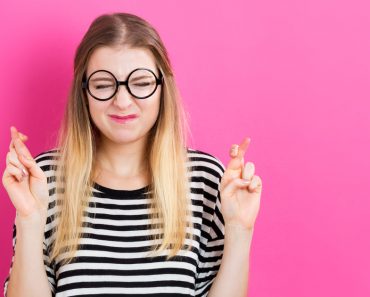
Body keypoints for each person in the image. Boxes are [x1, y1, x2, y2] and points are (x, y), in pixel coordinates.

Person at [2, 12, 262, 297]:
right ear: (84, 92)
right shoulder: (45, 178)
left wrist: (240, 230)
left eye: (140, 83)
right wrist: (29, 220)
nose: (123, 102)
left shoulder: (204, 179)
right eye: (103, 84)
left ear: (163, 88)